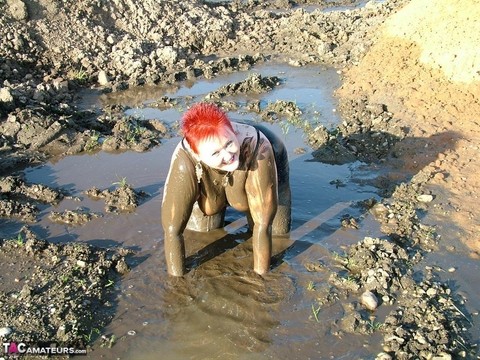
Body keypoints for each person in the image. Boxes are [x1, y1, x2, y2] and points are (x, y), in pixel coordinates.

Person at [161, 102, 291, 276]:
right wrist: (176, 283)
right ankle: (218, 193)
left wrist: (260, 279)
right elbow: (172, 230)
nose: (227, 156)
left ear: (234, 133)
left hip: (261, 159)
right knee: (200, 233)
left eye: (229, 144)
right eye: (216, 153)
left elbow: (263, 223)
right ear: (198, 154)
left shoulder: (259, 146)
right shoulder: (185, 160)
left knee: (277, 235)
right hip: (207, 175)